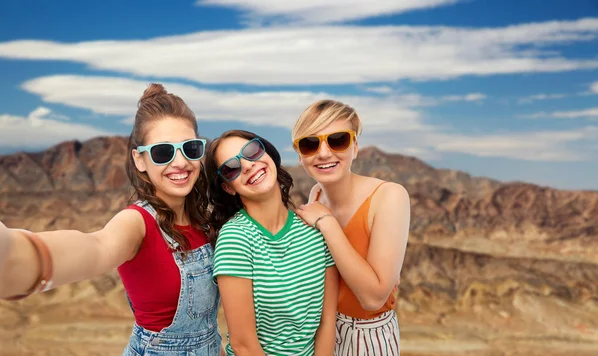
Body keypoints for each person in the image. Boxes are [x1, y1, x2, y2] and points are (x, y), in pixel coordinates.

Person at [0, 83, 224, 356]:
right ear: (140, 160)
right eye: (163, 152)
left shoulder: (206, 222)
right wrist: (16, 255)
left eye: (190, 148)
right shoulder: (136, 223)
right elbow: (96, 247)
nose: (180, 162)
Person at [204, 129, 339, 356]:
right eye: (231, 168)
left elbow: (327, 322)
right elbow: (243, 345)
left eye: (252, 151)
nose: (247, 165)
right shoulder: (236, 239)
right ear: (228, 187)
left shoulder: (316, 231)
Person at [291, 99, 410, 356]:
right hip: (320, 333)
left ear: (355, 147)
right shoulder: (317, 195)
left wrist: (327, 223)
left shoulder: (389, 196)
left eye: (338, 140)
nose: (323, 153)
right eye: (310, 144)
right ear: (300, 156)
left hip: (367, 336)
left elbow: (373, 298)